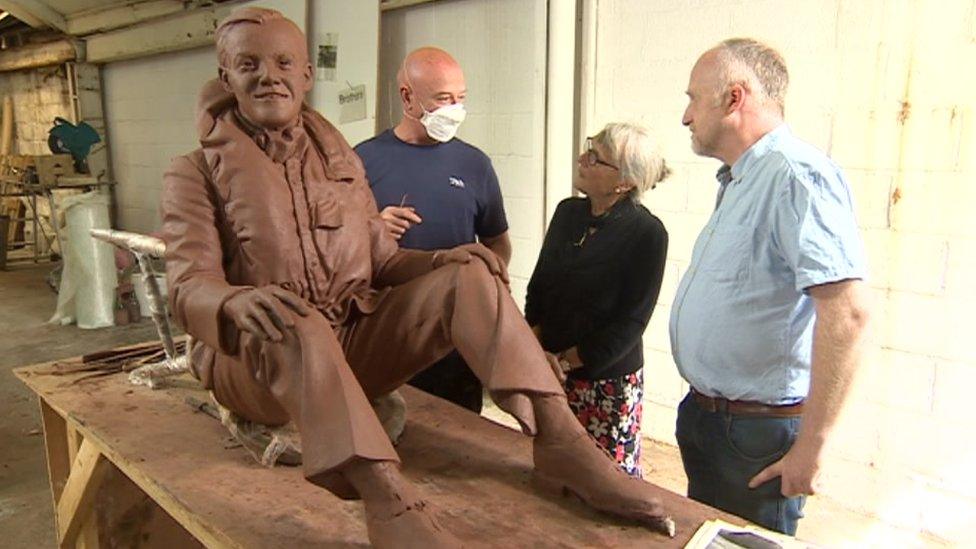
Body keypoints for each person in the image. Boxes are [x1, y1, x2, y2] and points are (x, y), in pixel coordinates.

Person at [161, 8, 674, 547]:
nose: (269, 75)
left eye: (283, 62)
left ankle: (562, 443)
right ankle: (385, 493)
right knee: (297, 318)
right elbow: (187, 284)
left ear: (306, 75)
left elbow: (383, 261)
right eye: (248, 64)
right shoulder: (192, 172)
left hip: (350, 342)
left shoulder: (338, 161)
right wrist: (231, 303)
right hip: (257, 362)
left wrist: (443, 261)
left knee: (469, 273)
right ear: (226, 79)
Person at [669, 37, 871, 534]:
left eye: (693, 98)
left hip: (755, 434)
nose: (686, 116)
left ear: (734, 99)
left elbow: (847, 313)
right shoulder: (742, 179)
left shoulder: (795, 176)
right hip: (712, 419)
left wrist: (813, 448)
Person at [355, 47, 511, 413]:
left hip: (454, 339)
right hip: (388, 328)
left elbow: (497, 243)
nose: (455, 109)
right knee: (386, 427)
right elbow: (331, 246)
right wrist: (372, 229)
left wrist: (487, 278)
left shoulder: (475, 165)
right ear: (407, 96)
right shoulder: (362, 160)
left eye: (461, 99)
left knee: (457, 431)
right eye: (443, 99)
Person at [525, 123, 670, 478]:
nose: (581, 159)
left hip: (604, 383)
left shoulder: (647, 234)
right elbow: (539, 287)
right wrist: (537, 348)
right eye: (588, 150)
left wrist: (565, 362)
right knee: (552, 473)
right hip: (550, 372)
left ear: (624, 181)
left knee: (604, 480)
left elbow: (630, 323)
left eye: (595, 158)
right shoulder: (567, 213)